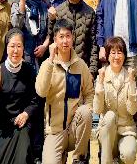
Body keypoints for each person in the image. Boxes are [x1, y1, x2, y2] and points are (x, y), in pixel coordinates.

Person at [35, 19, 94, 164]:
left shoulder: (81, 65)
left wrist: (88, 108)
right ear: (55, 40)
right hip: (55, 131)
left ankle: (78, 159)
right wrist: (50, 60)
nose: (65, 41)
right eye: (61, 37)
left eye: (68, 36)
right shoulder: (47, 65)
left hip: (74, 129)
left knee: (85, 112)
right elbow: (41, 92)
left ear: (73, 38)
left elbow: (89, 93)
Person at [0, 28, 41, 164]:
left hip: (21, 123)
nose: (16, 50)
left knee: (23, 151)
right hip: (2, 125)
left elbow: (35, 99)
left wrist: (26, 114)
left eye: (19, 46)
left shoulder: (29, 71)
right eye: (12, 46)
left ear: (23, 48)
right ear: (6, 48)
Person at [93, 36, 137, 164]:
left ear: (124, 56)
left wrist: (132, 83)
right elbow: (97, 109)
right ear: (107, 56)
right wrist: (100, 83)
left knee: (128, 155)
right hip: (107, 132)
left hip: (126, 130)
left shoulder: (130, 76)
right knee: (110, 116)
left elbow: (133, 110)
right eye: (113, 53)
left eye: (120, 52)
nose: (116, 57)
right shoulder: (102, 76)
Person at [49, 0, 98, 78]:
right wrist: (51, 21)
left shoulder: (90, 13)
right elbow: (52, 38)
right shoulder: (58, 12)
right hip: (61, 69)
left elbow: (93, 45)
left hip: (83, 69)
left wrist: (92, 71)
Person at [11, 0, 49, 73]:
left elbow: (50, 31)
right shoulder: (16, 4)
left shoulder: (43, 6)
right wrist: (22, 2)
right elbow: (16, 26)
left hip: (41, 59)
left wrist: (44, 46)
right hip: (23, 58)